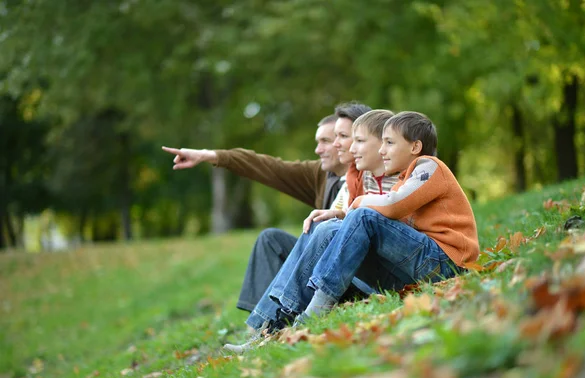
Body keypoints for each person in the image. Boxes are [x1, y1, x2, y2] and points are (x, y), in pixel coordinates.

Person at [162, 102, 372, 312]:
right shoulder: (320, 175)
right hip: (324, 269)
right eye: (326, 140)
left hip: (352, 275)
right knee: (270, 240)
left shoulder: (371, 174)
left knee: (319, 230)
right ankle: (262, 324)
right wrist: (209, 155)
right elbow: (266, 166)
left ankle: (277, 320)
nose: (321, 149)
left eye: (331, 139)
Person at [224, 109, 401, 354]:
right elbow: (272, 168)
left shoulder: (378, 173)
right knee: (276, 237)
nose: (335, 146)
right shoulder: (347, 175)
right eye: (333, 138)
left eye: (342, 137)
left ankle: (276, 323)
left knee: (324, 228)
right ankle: (265, 325)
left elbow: (374, 221)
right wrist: (215, 156)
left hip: (362, 270)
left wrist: (339, 215)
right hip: (343, 261)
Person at [298, 111, 480, 321]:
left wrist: (357, 203)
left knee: (365, 217)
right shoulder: (405, 180)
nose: (382, 150)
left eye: (389, 143)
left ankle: (318, 307)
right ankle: (313, 303)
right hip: (425, 266)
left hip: (448, 262)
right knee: (346, 232)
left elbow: (393, 205)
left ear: (415, 147)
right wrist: (342, 215)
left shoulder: (429, 167)